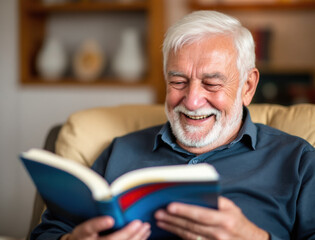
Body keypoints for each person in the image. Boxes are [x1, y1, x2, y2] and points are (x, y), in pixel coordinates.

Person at [31, 10, 315, 240]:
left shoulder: (297, 160)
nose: (191, 101)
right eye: (178, 82)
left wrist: (254, 238)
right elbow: (47, 232)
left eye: (211, 83)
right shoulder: (120, 151)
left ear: (248, 86)